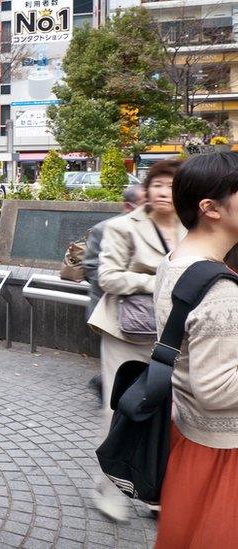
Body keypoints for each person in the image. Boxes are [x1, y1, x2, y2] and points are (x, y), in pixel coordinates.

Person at [87, 159, 185, 522]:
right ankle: (108, 487)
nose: (163, 191)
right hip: (125, 333)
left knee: (167, 414)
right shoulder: (121, 227)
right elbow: (108, 277)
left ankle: (151, 488)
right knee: (119, 411)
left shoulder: (191, 227)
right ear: (146, 189)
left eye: (171, 184)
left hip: (172, 334)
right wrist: (158, 281)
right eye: (157, 184)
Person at [152, 153, 238, 547]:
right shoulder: (221, 292)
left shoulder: (175, 262)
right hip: (224, 452)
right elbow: (217, 389)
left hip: (190, 437)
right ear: (210, 208)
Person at [84, 183, 144, 401]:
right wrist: (127, 284)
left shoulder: (157, 229)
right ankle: (106, 387)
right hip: (110, 305)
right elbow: (91, 268)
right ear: (129, 206)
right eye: (144, 203)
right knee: (117, 359)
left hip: (143, 310)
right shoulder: (106, 228)